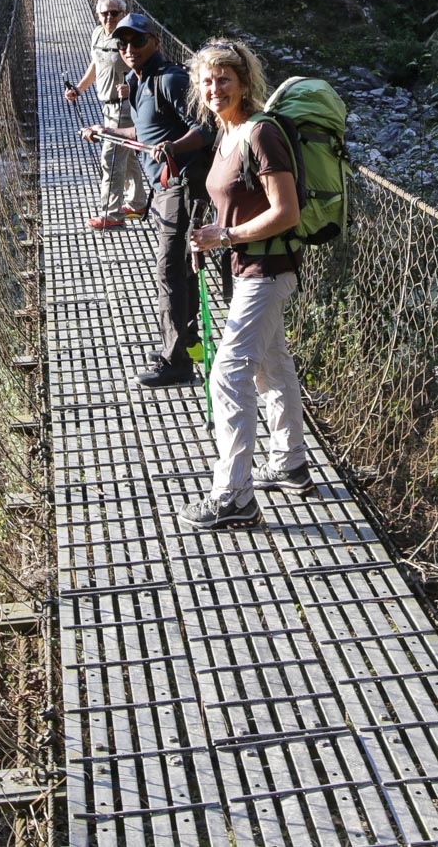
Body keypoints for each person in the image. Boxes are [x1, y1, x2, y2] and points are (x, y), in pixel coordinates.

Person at [177, 38, 311, 531]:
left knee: (228, 376)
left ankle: (235, 496)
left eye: (224, 79)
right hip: (246, 267)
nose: (215, 88)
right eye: (207, 81)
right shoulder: (225, 133)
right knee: (271, 366)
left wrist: (226, 235)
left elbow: (286, 212)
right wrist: (209, 239)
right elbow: (232, 202)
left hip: (269, 270)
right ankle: (290, 461)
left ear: (244, 81)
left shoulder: (260, 134)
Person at [78, 13, 214, 387]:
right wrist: (107, 130)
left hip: (183, 185)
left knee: (169, 270)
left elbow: (205, 129)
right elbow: (143, 130)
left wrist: (174, 146)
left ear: (155, 41)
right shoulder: (139, 82)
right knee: (180, 269)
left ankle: (178, 365)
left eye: (137, 42)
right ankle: (182, 344)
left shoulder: (171, 78)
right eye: (123, 44)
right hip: (163, 188)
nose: (129, 49)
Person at [64, 0, 148, 231]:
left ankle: (112, 215)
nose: (110, 17)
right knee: (127, 154)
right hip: (107, 107)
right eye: (105, 13)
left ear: (123, 13)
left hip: (124, 106)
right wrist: (79, 89)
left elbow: (145, 66)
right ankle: (138, 203)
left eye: (115, 13)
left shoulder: (129, 37)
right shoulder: (97, 34)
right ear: (98, 15)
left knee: (110, 159)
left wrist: (132, 86)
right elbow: (96, 64)